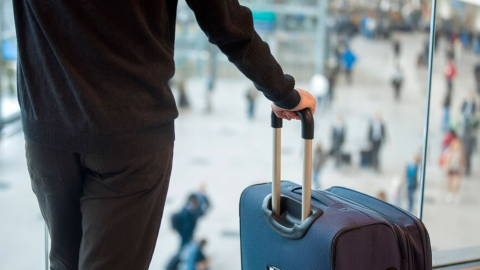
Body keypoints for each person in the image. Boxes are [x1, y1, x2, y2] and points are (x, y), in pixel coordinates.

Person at [14, 0, 317, 268]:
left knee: (64, 262)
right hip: (130, 132)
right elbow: (225, 19)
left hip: (47, 127)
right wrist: (283, 93)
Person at [444, 139, 465, 204]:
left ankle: (455, 194)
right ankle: (449, 194)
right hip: (451, 169)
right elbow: (447, 161)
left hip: (457, 170)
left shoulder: (461, 154)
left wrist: (462, 169)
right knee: (449, 183)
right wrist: (446, 167)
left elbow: (462, 162)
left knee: (456, 183)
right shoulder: (450, 153)